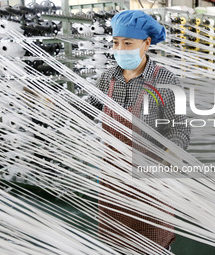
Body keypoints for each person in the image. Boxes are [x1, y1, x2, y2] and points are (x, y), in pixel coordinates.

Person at [84, 10, 191, 254]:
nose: (120, 49)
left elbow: (181, 127)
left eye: (128, 43)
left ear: (146, 43)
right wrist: (51, 103)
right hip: (114, 176)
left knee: (152, 238)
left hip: (151, 176)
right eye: (116, 43)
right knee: (117, 237)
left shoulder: (165, 79)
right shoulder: (108, 78)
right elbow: (87, 107)